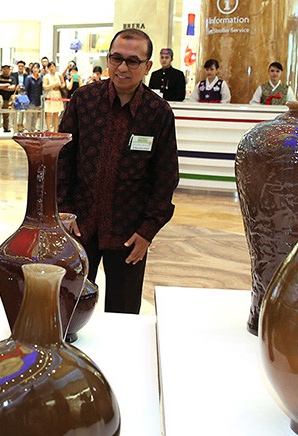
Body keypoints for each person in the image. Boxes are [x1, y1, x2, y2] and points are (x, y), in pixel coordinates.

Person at [57, 28, 179, 314]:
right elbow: (63, 158)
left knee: (124, 316)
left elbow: (166, 176)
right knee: (70, 309)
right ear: (108, 59)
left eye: (133, 61)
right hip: (79, 228)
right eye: (116, 58)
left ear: (148, 66)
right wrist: (63, 210)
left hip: (129, 234)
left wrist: (148, 230)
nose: (123, 67)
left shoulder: (158, 113)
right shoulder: (84, 101)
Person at [0, 64, 16, 132]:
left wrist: (2, 87)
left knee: (6, 115)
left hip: (7, 99)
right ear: (2, 69)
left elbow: (13, 88)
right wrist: (7, 85)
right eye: (4, 68)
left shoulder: (12, 78)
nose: (6, 70)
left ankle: (6, 129)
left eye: (7, 68)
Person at [43, 62, 64, 132]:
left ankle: (56, 130)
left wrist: (62, 85)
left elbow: (63, 84)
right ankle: (49, 130)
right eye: (50, 67)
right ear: (48, 68)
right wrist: (54, 84)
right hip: (49, 94)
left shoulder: (59, 75)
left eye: (53, 66)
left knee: (56, 113)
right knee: (49, 113)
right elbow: (45, 87)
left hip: (57, 94)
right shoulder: (46, 76)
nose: (52, 68)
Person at [24, 62, 43, 131]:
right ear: (32, 69)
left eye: (37, 68)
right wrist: (27, 100)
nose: (36, 69)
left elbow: (41, 90)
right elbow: (26, 89)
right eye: (34, 68)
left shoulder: (40, 78)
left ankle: (33, 130)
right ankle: (28, 130)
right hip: (30, 100)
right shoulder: (29, 78)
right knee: (29, 116)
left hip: (37, 100)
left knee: (35, 116)